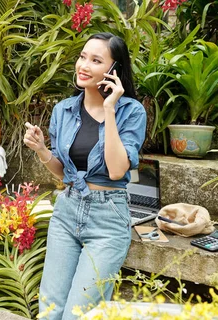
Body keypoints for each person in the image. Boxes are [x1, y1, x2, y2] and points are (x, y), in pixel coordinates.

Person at [23, 32, 147, 320]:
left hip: (108, 219)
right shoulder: (63, 109)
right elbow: (65, 175)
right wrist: (42, 149)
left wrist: (109, 109)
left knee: (78, 315)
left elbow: (116, 170)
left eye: (95, 60)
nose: (84, 65)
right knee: (49, 311)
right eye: (82, 57)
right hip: (67, 212)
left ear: (114, 70)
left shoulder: (131, 111)